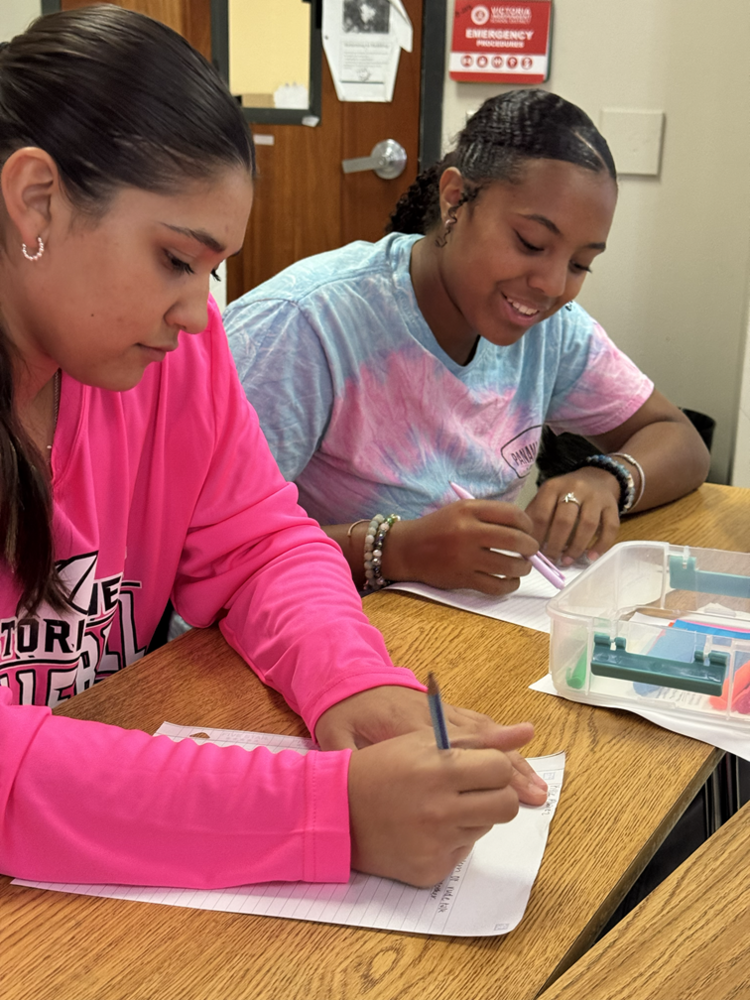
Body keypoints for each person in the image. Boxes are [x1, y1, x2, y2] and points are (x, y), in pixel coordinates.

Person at [0, 7, 547, 892]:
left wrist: (350, 679)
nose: (196, 310)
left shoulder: (179, 351)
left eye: (209, 272)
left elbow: (259, 545)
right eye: (176, 260)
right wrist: (323, 813)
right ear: (36, 200)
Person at [225, 90, 711, 595]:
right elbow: (213, 550)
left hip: (462, 632)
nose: (551, 284)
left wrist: (608, 476)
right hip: (306, 635)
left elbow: (681, 442)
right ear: (455, 198)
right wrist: (397, 550)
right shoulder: (305, 325)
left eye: (580, 263)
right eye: (530, 243)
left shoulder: (551, 328)